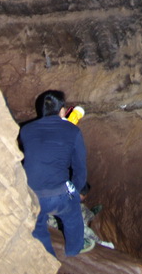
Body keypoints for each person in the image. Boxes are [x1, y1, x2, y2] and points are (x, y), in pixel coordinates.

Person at [19, 89, 94, 256]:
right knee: (73, 218)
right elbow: (80, 167)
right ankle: (74, 251)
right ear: (62, 110)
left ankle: (47, 256)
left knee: (38, 226)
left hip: (32, 193)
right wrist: (75, 190)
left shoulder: (26, 130)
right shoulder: (72, 131)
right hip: (59, 194)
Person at [47, 182, 114, 250]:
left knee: (82, 208)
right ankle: (100, 243)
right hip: (53, 221)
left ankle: (91, 214)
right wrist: (101, 242)